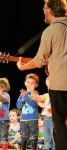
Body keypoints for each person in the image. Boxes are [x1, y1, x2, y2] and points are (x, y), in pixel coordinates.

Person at [16, 0, 67, 149]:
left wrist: (22, 67)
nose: (43, 10)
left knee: (59, 122)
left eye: (44, 7)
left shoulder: (50, 31)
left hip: (60, 84)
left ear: (50, 9)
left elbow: (39, 60)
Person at [16, 73, 39, 150]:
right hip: (23, 119)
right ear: (25, 83)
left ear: (36, 85)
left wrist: (25, 97)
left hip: (32, 119)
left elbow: (33, 103)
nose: (30, 84)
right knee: (24, 137)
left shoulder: (35, 93)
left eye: (32, 83)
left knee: (33, 137)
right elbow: (18, 106)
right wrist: (22, 98)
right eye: (28, 82)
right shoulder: (22, 94)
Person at [34, 77, 55, 150]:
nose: (49, 87)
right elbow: (40, 101)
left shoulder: (58, 96)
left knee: (54, 138)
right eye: (48, 86)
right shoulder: (46, 95)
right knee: (47, 137)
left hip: (54, 119)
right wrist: (31, 89)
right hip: (46, 119)